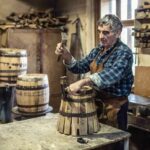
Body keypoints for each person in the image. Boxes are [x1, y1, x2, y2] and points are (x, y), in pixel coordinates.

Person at [55, 14, 133, 131]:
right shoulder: (98, 50)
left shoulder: (124, 52)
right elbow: (79, 67)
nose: (101, 36)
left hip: (114, 107)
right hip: (96, 104)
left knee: (114, 144)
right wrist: (67, 56)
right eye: (99, 32)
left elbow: (110, 75)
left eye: (106, 32)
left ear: (118, 33)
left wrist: (82, 82)